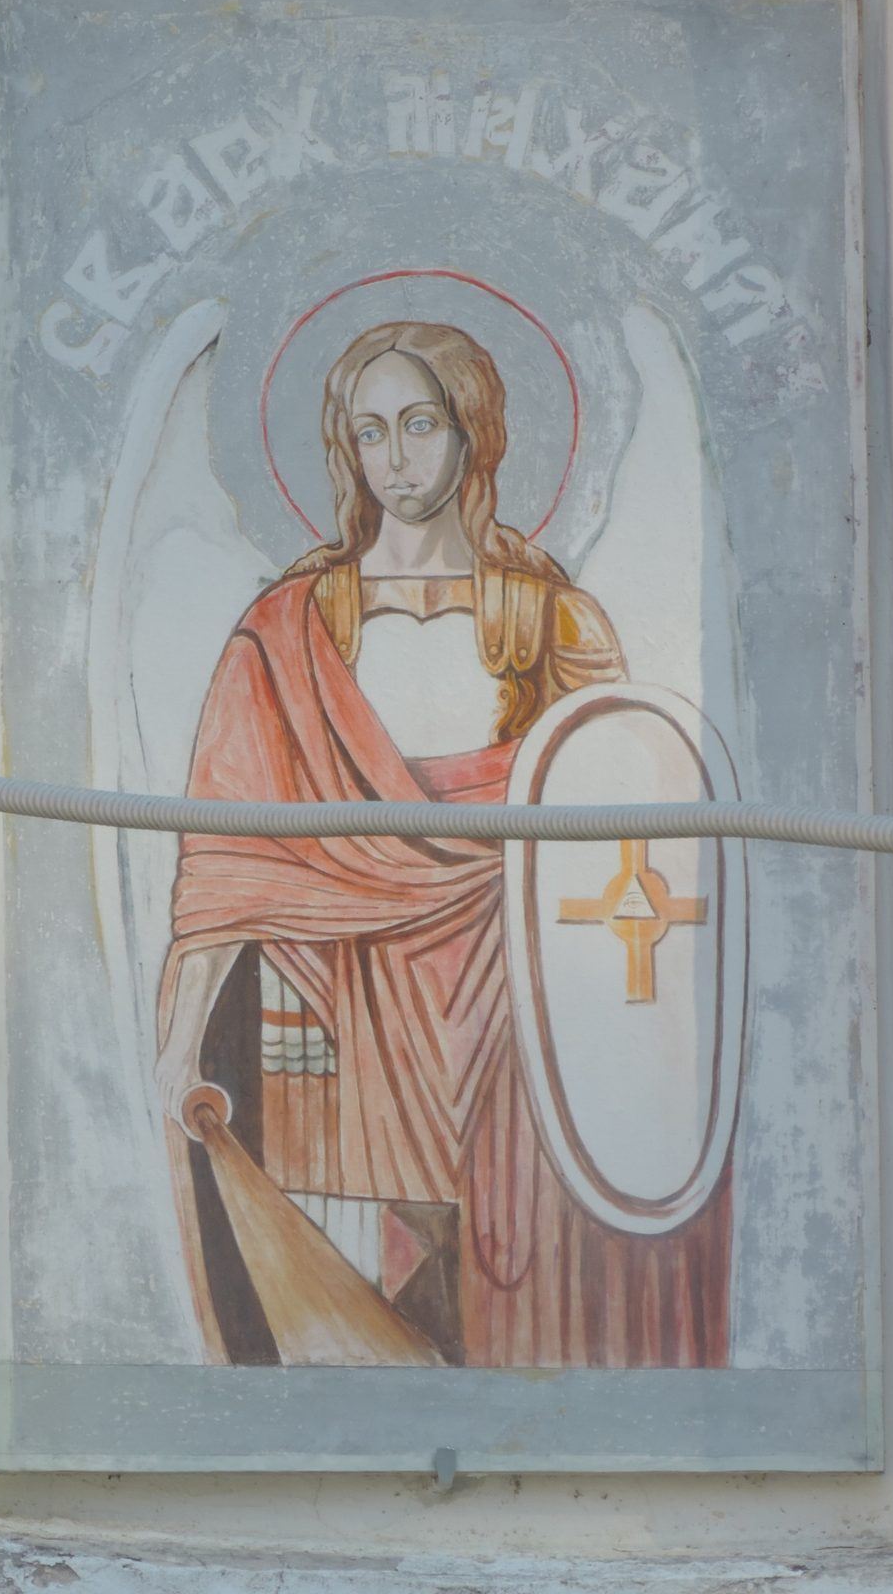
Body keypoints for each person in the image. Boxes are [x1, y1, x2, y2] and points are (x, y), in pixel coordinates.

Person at [156, 319, 731, 1367]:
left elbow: (616, 815)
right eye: (370, 431)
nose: (397, 457)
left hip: (508, 989)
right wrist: (179, 1043)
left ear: (474, 433)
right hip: (336, 987)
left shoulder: (553, 622)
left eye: (420, 424)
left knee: (506, 1240)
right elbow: (226, 862)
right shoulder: (284, 633)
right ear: (346, 450)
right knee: (362, 1255)